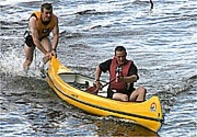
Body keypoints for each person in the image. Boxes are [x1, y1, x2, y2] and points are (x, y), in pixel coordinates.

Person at [23, 2, 59, 70]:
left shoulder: (55, 19)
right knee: (29, 60)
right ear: (42, 12)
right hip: (31, 38)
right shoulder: (34, 19)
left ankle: (41, 66)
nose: (48, 15)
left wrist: (53, 49)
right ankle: (25, 73)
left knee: (51, 53)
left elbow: (56, 35)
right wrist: (45, 53)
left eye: (50, 13)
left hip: (43, 37)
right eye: (46, 13)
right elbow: (35, 40)